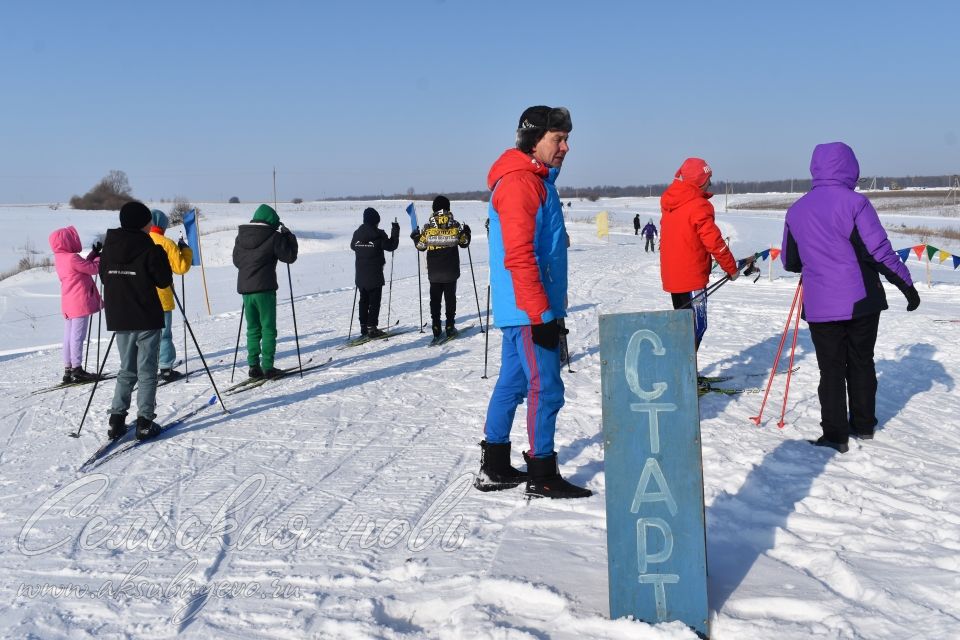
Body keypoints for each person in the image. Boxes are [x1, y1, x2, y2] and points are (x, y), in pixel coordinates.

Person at [476, 105, 590, 499]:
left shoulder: (535, 180)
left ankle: (494, 464)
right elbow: (520, 255)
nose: (566, 147)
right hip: (529, 307)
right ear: (533, 140)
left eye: (567, 138)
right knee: (547, 386)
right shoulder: (521, 184)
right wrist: (542, 314)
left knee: (514, 381)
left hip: (523, 306)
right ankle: (542, 472)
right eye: (558, 139)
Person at [782, 142, 920, 453]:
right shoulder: (856, 203)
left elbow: (790, 261)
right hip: (861, 301)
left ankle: (835, 436)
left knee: (830, 369)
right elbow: (879, 252)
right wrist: (907, 286)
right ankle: (863, 425)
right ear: (851, 167)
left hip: (819, 305)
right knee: (861, 362)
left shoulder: (797, 209)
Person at [99, 201, 173, 440]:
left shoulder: (109, 247)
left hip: (120, 316)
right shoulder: (149, 248)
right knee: (147, 370)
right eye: (148, 221)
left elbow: (103, 276)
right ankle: (144, 422)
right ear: (142, 223)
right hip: (146, 317)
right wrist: (161, 258)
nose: (150, 225)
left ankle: (116, 420)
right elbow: (163, 281)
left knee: (127, 369)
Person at [659, 157, 739, 356]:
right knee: (696, 327)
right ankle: (686, 376)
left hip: (673, 278)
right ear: (699, 180)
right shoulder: (698, 205)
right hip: (691, 278)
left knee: (682, 328)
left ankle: (686, 374)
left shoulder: (671, 201)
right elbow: (714, 242)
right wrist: (731, 268)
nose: (710, 182)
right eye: (708, 178)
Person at [232, 204, 299, 379]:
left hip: (246, 290)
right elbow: (289, 257)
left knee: (253, 328)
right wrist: (289, 237)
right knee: (268, 328)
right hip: (265, 289)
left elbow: (237, 261)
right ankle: (268, 366)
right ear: (271, 221)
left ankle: (253, 366)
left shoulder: (241, 237)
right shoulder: (273, 236)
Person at [410, 195, 471, 341]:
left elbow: (421, 246)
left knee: (435, 300)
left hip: (434, 272)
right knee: (450, 299)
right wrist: (467, 232)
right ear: (448, 207)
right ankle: (450, 325)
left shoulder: (428, 227)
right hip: (451, 271)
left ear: (434, 208)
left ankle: (436, 326)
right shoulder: (455, 225)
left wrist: (415, 237)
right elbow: (464, 243)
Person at [48, 226, 103, 383]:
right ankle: (77, 370)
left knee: (68, 336)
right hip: (79, 302)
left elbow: (81, 267)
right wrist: (100, 257)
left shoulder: (60, 258)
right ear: (67, 241)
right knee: (77, 336)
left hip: (68, 302)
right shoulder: (72, 257)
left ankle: (68, 369)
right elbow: (93, 269)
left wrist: (93, 254)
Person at [149, 209, 193, 382]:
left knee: (146, 335)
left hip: (141, 297)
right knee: (164, 333)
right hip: (162, 296)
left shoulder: (141, 241)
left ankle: (145, 366)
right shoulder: (166, 243)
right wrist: (186, 251)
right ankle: (165, 367)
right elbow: (180, 267)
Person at [350, 207, 399, 338]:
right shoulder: (378, 235)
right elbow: (391, 246)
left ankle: (364, 327)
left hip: (360, 275)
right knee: (374, 302)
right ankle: (372, 328)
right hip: (375, 275)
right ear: (375, 221)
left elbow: (352, 246)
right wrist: (395, 230)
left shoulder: (357, 234)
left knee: (363, 301)